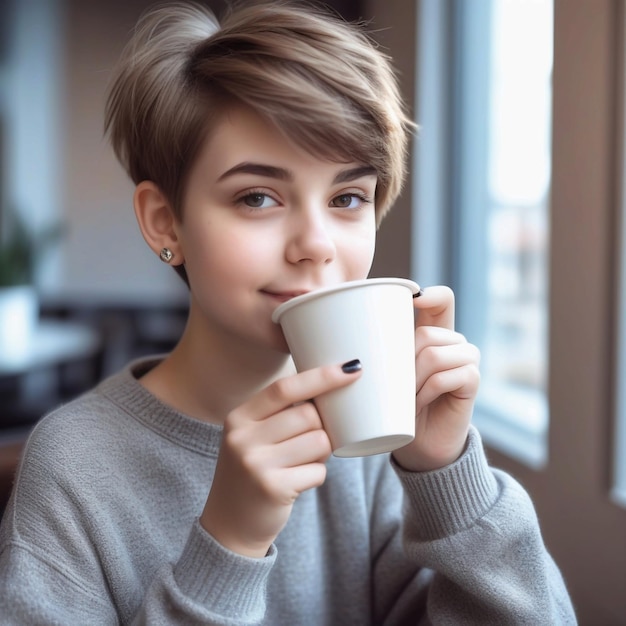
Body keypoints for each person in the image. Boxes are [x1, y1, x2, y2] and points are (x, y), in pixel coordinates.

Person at [0, 1, 576, 623]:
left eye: (348, 196)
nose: (316, 245)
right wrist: (228, 544)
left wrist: (452, 482)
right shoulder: (74, 466)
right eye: (258, 197)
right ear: (165, 220)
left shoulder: (377, 448)